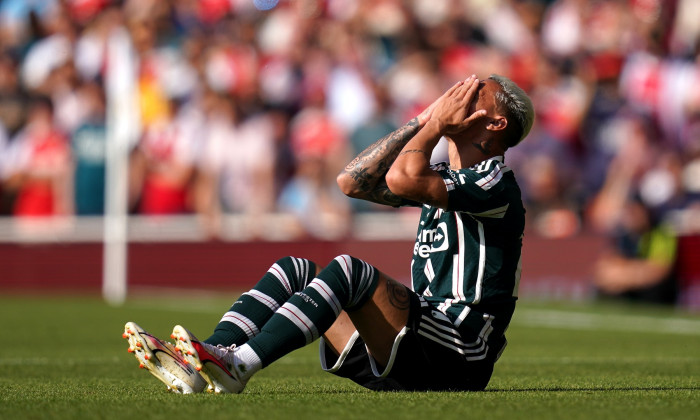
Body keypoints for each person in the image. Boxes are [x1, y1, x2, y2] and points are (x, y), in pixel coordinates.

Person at [123, 74, 534, 393]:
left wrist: (432, 124)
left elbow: (405, 178)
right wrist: (423, 120)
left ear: (496, 122)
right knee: (296, 269)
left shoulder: (494, 180)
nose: (459, 90)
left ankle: (240, 366)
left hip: (461, 349)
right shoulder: (443, 176)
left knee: (349, 271)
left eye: (476, 91)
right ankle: (207, 359)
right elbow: (351, 182)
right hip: (421, 342)